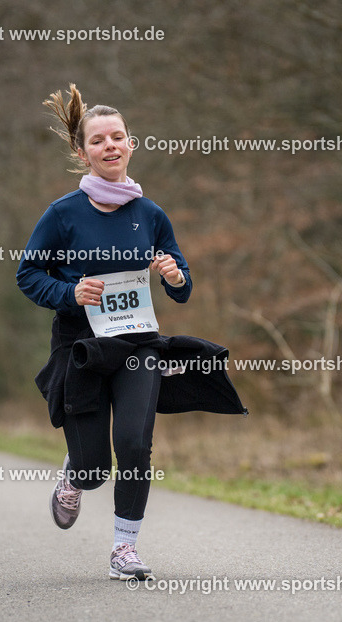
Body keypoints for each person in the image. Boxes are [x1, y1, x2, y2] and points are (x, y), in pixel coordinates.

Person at [17, 85, 246, 580]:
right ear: (83, 153)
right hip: (82, 349)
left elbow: (181, 283)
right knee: (96, 466)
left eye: (118, 137)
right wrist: (70, 293)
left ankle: (125, 549)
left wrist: (174, 276)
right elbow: (28, 274)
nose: (110, 146)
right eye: (98, 140)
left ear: (131, 144)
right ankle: (76, 473)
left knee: (136, 444)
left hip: (138, 343)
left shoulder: (150, 214)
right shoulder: (62, 215)